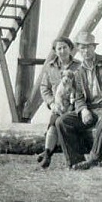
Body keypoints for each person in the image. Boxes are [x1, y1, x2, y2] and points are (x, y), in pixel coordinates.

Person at [56, 30, 102, 170]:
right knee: (62, 121)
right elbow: (78, 97)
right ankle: (75, 161)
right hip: (91, 110)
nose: (85, 50)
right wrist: (83, 110)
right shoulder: (78, 72)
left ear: (94, 47)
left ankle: (94, 159)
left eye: (88, 46)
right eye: (82, 47)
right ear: (78, 49)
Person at [37, 37, 80, 169]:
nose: (62, 51)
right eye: (59, 48)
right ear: (55, 51)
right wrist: (51, 103)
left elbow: (83, 87)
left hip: (74, 105)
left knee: (61, 124)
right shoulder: (50, 67)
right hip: (58, 105)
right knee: (53, 125)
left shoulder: (79, 66)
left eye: (65, 47)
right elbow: (44, 88)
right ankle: (47, 154)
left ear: (70, 49)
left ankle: (53, 154)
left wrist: (76, 103)